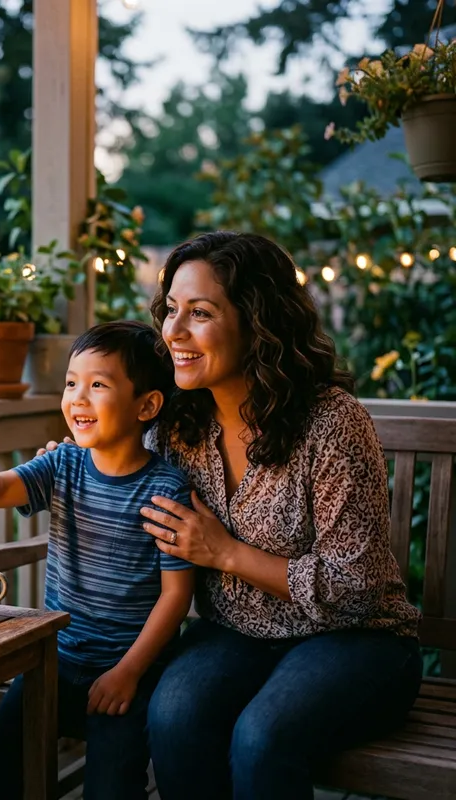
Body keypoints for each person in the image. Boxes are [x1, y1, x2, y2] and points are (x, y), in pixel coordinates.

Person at [42, 231, 423, 800]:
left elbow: (358, 587)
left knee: (260, 737)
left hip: (356, 640)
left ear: (257, 322)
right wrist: (64, 459)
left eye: (200, 313)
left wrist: (225, 553)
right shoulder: (174, 426)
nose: (173, 331)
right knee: (174, 713)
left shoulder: (332, 422)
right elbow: (108, 454)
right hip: (236, 635)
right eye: (171, 310)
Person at [0, 320, 195, 800]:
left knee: (111, 787)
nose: (78, 397)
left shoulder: (166, 490)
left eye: (98, 385)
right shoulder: (63, 464)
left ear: (147, 405)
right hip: (55, 660)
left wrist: (129, 672)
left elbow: (177, 597)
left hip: (129, 671)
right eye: (72, 382)